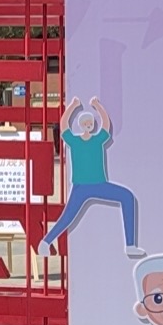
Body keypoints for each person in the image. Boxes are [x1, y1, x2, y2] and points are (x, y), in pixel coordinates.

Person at [38, 97, 140, 257]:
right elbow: (64, 126)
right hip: (81, 187)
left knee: (127, 197)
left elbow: (105, 125)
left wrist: (97, 106)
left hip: (100, 184)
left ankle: (130, 245)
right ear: (81, 125)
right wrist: (72, 106)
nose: (88, 125)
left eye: (91, 123)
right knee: (67, 217)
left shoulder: (97, 140)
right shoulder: (75, 141)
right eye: (86, 123)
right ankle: (45, 242)